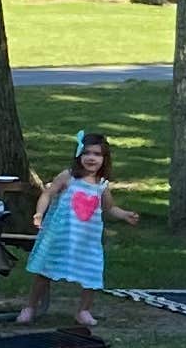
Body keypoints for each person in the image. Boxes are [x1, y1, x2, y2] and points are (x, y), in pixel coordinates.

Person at [19, 131, 140, 332]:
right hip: (60, 236)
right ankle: (30, 306)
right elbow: (47, 193)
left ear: (104, 159)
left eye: (97, 154)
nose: (91, 158)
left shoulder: (102, 185)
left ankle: (84, 310)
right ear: (79, 156)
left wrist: (125, 214)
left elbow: (109, 208)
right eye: (87, 153)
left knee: (91, 272)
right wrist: (39, 213)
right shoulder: (69, 177)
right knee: (45, 271)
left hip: (87, 239)